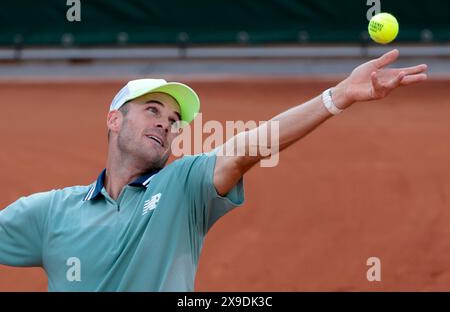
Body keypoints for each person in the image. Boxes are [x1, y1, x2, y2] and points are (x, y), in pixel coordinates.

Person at [0, 49, 427, 291]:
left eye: (172, 120)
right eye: (153, 110)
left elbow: (248, 147)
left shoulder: (183, 188)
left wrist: (337, 97)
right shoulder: (51, 212)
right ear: (114, 120)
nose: (165, 124)